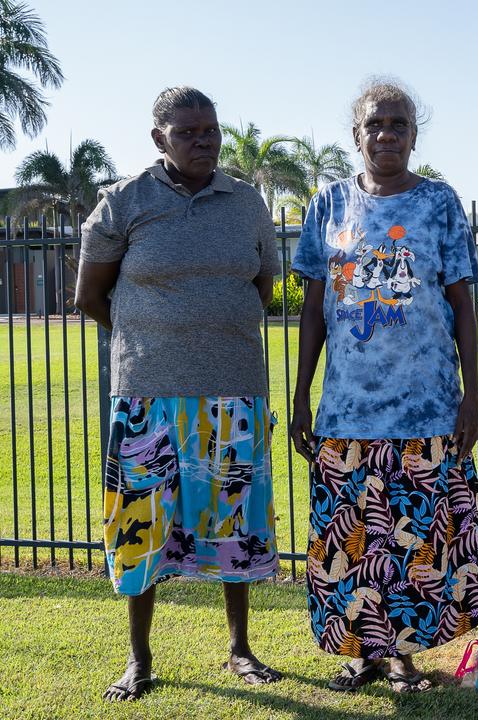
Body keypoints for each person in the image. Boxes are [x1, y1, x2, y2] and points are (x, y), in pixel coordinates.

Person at [75, 86, 283, 702]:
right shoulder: (122, 203)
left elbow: (264, 285)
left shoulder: (246, 203)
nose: (205, 141)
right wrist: (153, 339)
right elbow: (90, 296)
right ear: (158, 137)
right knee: (140, 528)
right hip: (147, 396)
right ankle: (139, 660)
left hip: (233, 394)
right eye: (190, 131)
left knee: (233, 524)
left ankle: (240, 648)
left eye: (212, 130)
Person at [290, 80, 478, 694]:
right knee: (355, 541)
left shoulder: (440, 203)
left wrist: (472, 394)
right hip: (348, 409)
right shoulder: (328, 204)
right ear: (357, 135)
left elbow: (462, 302)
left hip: (426, 405)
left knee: (417, 541)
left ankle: (403, 656)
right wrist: (302, 395)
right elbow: (315, 309)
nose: (386, 134)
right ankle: (363, 653)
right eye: (375, 124)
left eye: (398, 124)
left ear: (413, 134)